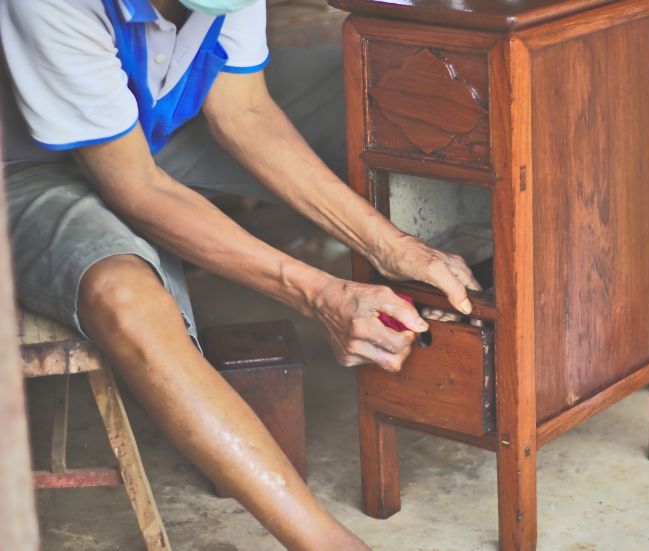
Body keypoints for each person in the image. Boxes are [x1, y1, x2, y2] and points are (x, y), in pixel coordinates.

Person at [0, 0, 480, 549]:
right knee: (125, 296)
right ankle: (325, 543)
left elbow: (243, 112)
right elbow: (137, 188)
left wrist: (393, 247)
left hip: (162, 126)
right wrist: (322, 292)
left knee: (407, 91)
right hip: (28, 167)